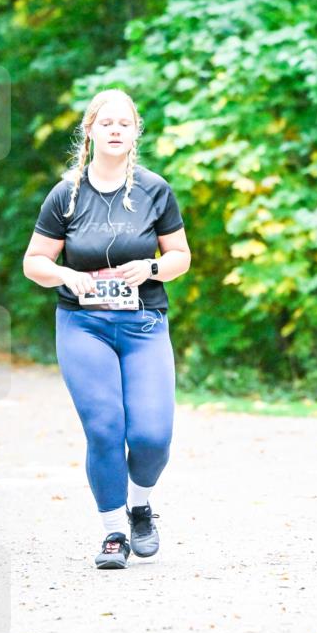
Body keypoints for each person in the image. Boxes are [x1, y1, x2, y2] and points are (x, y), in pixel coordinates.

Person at [23, 88, 191, 570]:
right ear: (90, 131)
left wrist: (153, 269)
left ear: (136, 131)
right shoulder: (66, 194)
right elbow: (35, 262)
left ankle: (141, 506)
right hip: (84, 325)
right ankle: (114, 532)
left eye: (125, 123)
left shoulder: (154, 190)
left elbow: (180, 257)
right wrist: (66, 275)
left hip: (143, 325)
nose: (116, 130)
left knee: (152, 436)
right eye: (106, 123)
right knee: (104, 429)